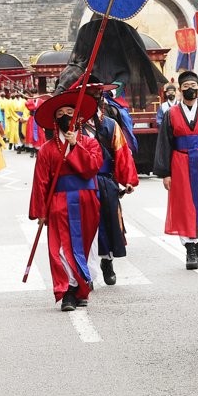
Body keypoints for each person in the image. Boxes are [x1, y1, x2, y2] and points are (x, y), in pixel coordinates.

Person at [29, 89, 103, 311]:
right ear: (54, 120)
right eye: (60, 113)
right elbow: (40, 181)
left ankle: (82, 289)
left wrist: (74, 146)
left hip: (86, 200)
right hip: (59, 201)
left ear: (78, 117)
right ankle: (68, 290)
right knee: (60, 249)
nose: (65, 116)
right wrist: (41, 211)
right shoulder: (46, 150)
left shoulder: (90, 143)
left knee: (84, 247)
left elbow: (92, 168)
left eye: (70, 111)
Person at [153, 70, 198, 269]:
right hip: (180, 163)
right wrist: (166, 173)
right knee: (184, 204)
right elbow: (165, 144)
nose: (190, 90)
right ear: (180, 90)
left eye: (193, 86)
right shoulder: (171, 114)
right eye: (186, 87)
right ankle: (190, 249)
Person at [82, 83, 139, 286]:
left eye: (97, 95)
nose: (95, 98)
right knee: (84, 226)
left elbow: (121, 152)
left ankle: (107, 261)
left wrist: (127, 180)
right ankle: (84, 270)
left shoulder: (110, 124)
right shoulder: (73, 126)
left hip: (105, 179)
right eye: (90, 95)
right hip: (81, 183)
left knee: (108, 222)